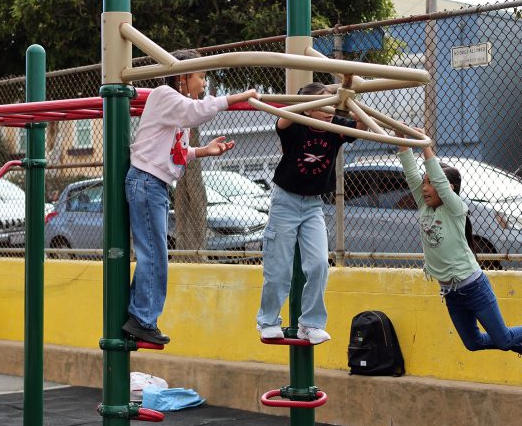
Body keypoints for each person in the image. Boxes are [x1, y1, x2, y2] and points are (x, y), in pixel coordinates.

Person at [396, 129, 522, 374]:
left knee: (503, 338)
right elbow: (411, 175)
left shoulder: (454, 209)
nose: (425, 187)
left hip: (473, 287)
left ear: (448, 188)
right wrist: (402, 141)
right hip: (451, 292)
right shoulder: (425, 208)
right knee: (472, 343)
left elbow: (438, 180)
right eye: (425, 183)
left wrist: (424, 145)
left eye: (430, 183)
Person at [123, 49, 259, 345]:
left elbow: (174, 151)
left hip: (152, 183)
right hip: (147, 182)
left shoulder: (176, 106)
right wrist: (235, 98)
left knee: (155, 252)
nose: (205, 82)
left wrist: (202, 151)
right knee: (154, 253)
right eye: (202, 75)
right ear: (183, 76)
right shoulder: (164, 95)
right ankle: (142, 319)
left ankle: (141, 316)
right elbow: (196, 112)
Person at [256, 82, 364, 345]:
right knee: (279, 268)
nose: (329, 110)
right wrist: (306, 103)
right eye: (322, 105)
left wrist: (349, 98)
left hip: (313, 204)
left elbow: (362, 127)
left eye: (331, 104)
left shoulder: (336, 127)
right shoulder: (295, 124)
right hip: (286, 201)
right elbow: (283, 120)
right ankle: (268, 321)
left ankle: (311, 323)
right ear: (309, 109)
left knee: (318, 264)